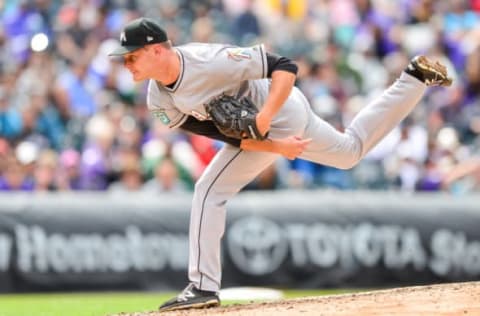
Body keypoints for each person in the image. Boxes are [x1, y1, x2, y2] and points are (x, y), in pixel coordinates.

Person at [109, 17, 452, 312]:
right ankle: (414, 78)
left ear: (157, 49)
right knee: (349, 152)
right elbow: (222, 134)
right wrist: (275, 145)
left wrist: (266, 120)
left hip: (282, 110)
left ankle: (202, 286)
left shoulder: (208, 60)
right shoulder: (159, 98)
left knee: (209, 190)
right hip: (274, 130)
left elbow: (284, 66)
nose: (127, 64)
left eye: (132, 56)